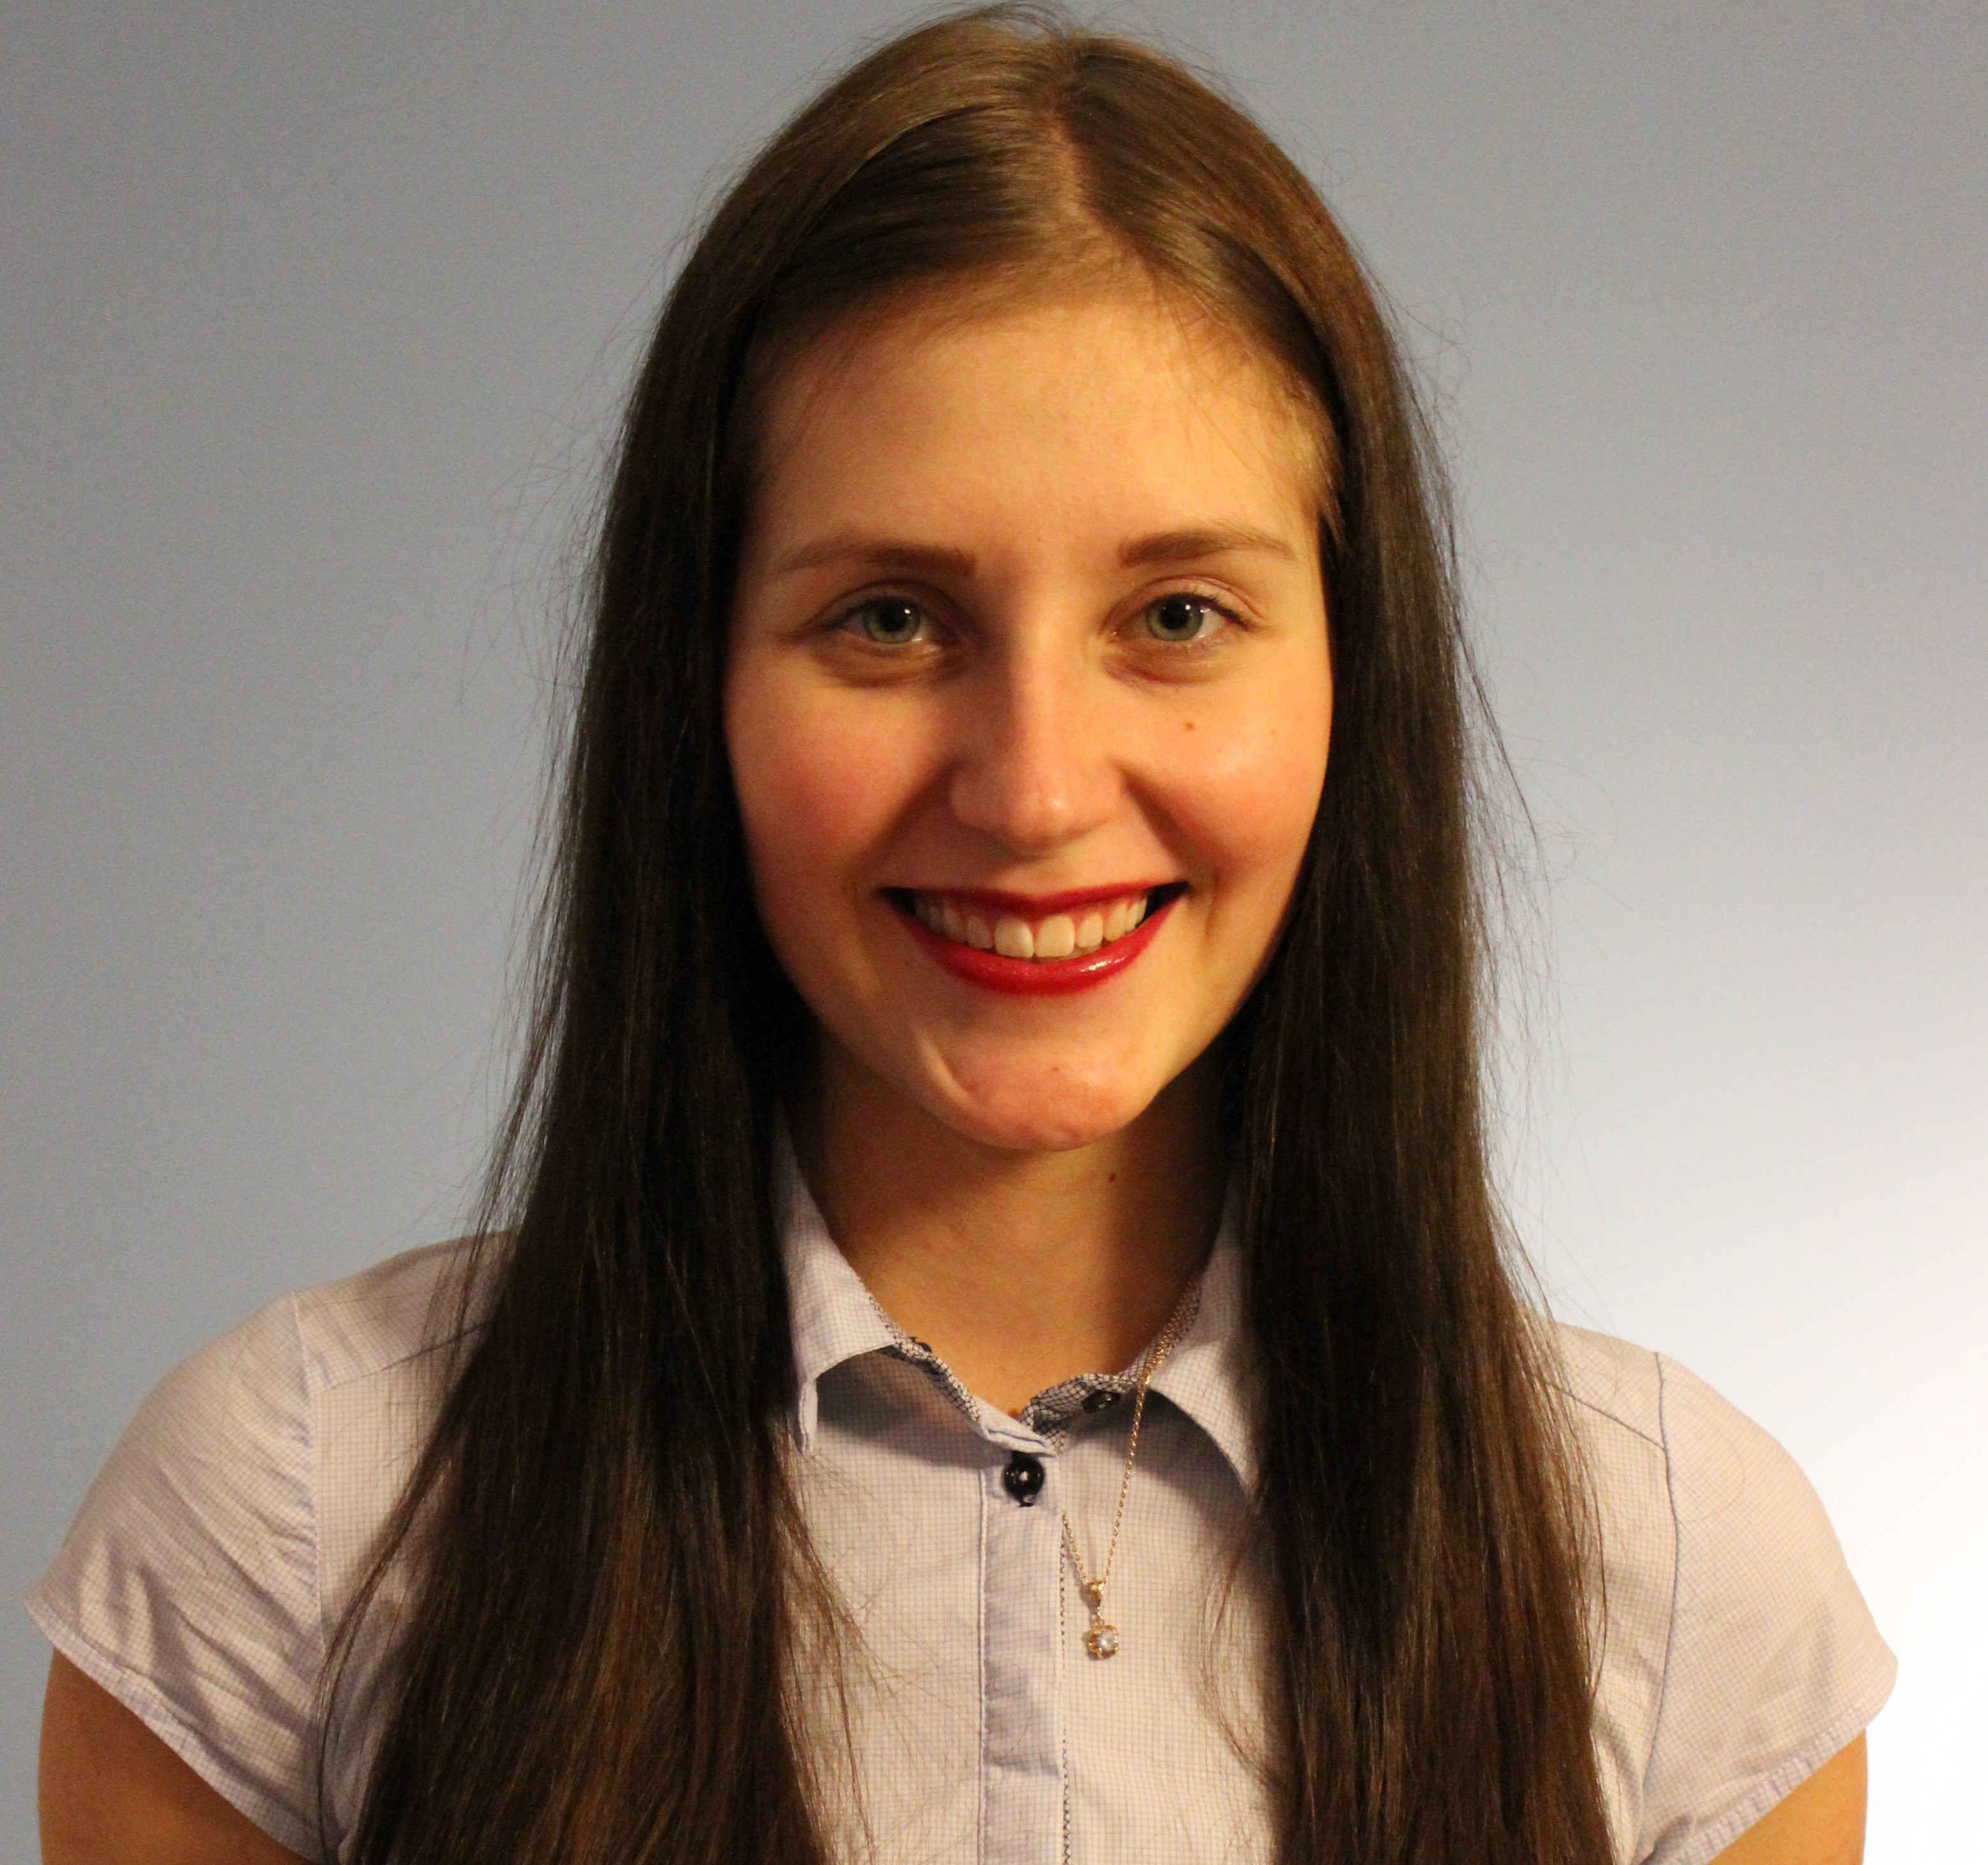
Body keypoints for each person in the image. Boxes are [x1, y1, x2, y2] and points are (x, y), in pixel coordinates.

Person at [29, 9, 1893, 1863]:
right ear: (697, 688)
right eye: (892, 618)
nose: (1033, 791)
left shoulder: (1680, 1588)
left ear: (1352, 677)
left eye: (1176, 614)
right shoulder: (291, 1527)